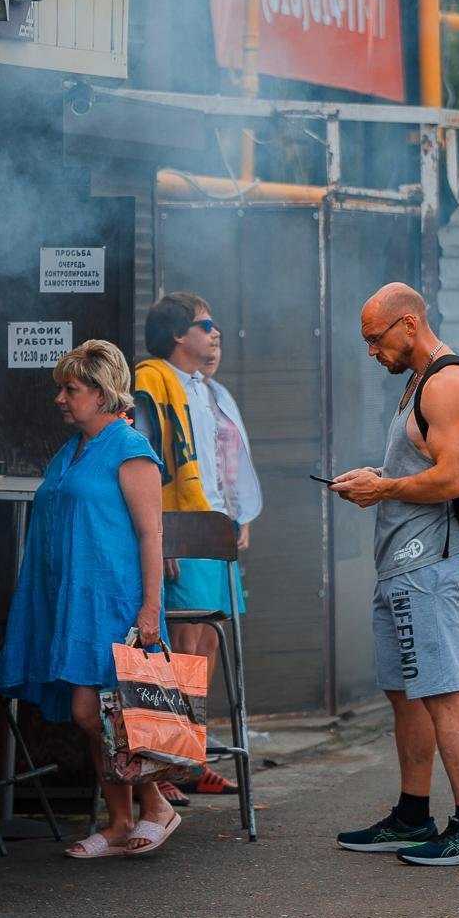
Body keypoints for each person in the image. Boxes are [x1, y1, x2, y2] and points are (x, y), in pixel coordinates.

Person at [330, 282, 459, 866]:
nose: (371, 351)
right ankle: (412, 814)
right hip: (400, 563)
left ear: (408, 324)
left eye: (375, 339)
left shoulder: (448, 383)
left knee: (443, 692)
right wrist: (377, 479)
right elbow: (422, 465)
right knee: (406, 692)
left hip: (428, 564)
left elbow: (455, 478)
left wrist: (383, 489)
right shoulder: (416, 381)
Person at [0, 339, 181, 859]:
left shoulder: (129, 449)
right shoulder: (72, 449)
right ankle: (120, 820)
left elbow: (151, 535)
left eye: (71, 389)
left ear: (102, 394)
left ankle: (156, 807)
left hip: (115, 600)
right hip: (77, 600)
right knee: (90, 711)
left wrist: (150, 608)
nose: (60, 398)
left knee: (111, 711)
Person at [134, 293, 262, 799]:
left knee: (206, 646)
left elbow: (221, 461)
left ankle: (190, 753)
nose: (215, 333)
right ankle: (164, 765)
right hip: (179, 529)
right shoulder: (152, 380)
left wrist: (236, 514)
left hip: (211, 526)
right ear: (176, 335)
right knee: (179, 648)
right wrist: (160, 533)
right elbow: (151, 462)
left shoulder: (206, 389)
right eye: (205, 325)